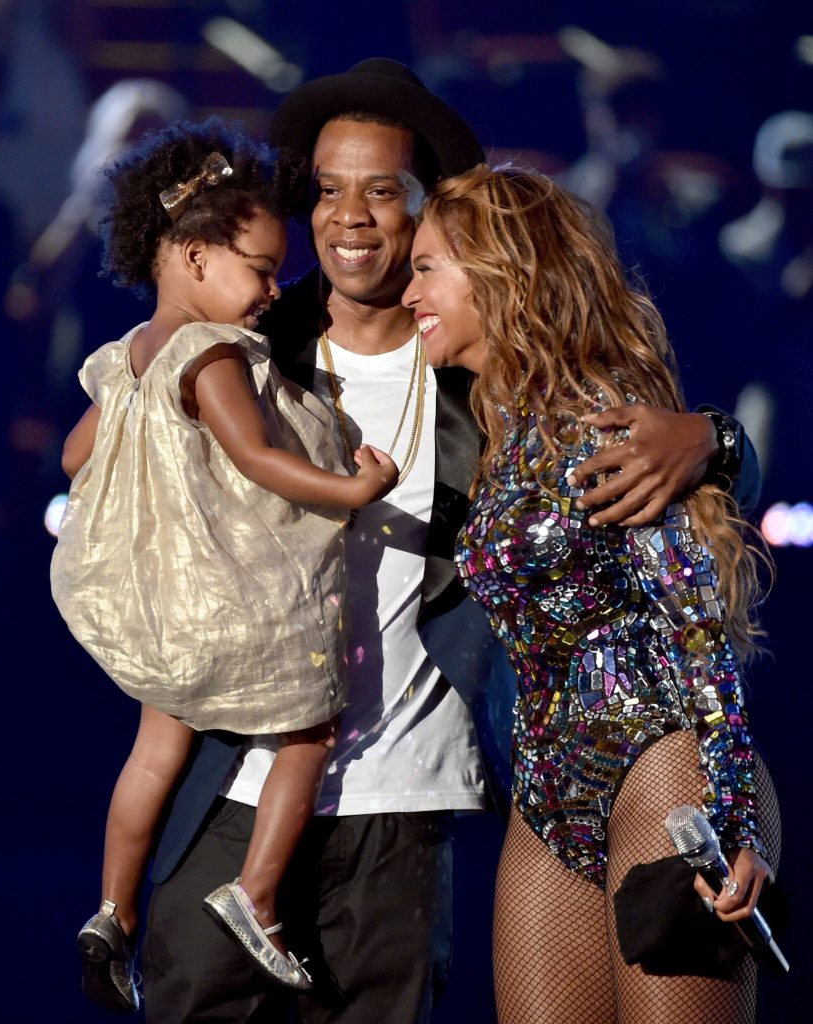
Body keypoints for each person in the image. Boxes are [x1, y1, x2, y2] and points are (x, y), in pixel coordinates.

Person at [142, 60, 762, 1024]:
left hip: (426, 793)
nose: (350, 217)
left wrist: (717, 438)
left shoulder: (496, 382)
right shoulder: (245, 343)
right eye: (329, 191)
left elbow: (690, 544)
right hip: (245, 780)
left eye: (383, 193)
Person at [402, 163, 780, 1024]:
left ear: (497, 272)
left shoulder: (603, 415)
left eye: (428, 268)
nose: (408, 290)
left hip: (665, 772)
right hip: (547, 791)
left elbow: (698, 623)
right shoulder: (505, 432)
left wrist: (731, 814)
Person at [50, 117, 397, 1013]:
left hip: (164, 606)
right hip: (232, 596)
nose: (273, 290)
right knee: (310, 732)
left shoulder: (122, 358)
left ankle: (111, 909)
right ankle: (257, 893)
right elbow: (254, 458)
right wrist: (349, 490)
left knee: (152, 752)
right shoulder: (214, 354)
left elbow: (73, 460)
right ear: (197, 258)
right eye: (259, 268)